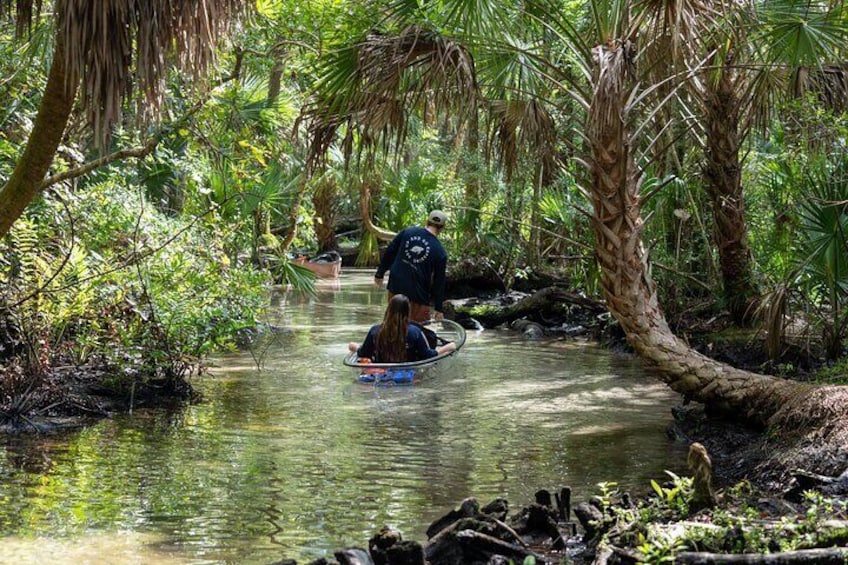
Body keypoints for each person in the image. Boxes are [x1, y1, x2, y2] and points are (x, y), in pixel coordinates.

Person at [374, 210, 448, 323]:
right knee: (416, 328)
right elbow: (439, 282)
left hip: (396, 286)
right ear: (442, 228)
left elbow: (390, 251)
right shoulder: (440, 252)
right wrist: (438, 308)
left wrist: (380, 273)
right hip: (418, 295)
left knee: (393, 322)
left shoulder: (408, 232)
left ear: (426, 221)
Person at [348, 294, 456, 362]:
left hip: (381, 371)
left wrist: (355, 347)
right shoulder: (415, 332)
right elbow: (427, 356)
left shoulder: (375, 331)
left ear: (388, 310)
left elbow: (363, 353)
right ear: (407, 312)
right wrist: (449, 347)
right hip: (409, 373)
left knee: (352, 345)